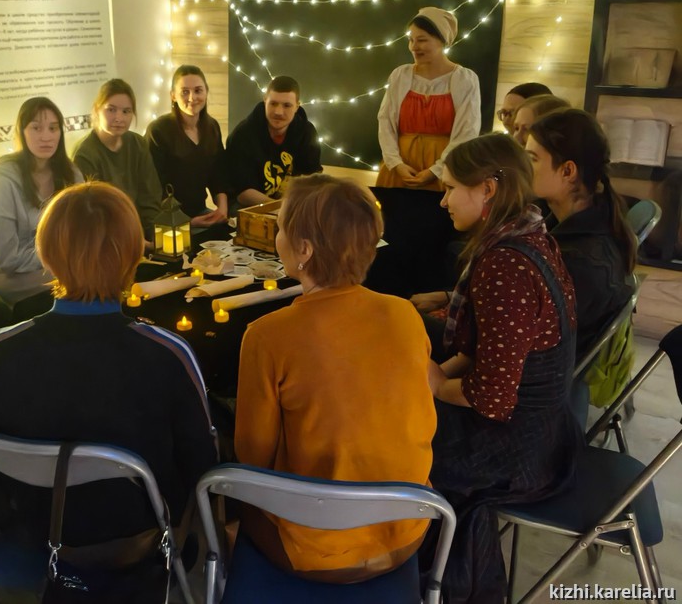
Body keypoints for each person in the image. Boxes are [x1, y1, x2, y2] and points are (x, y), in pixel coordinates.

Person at [0, 182, 217, 569]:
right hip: (144, 536)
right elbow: (202, 465)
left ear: (46, 255)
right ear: (135, 255)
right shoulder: (167, 353)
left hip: (36, 531)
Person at [235, 174, 436, 583]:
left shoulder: (267, 335)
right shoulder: (406, 315)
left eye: (280, 228)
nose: (276, 237)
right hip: (408, 529)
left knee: (226, 490)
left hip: (313, 551)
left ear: (304, 250)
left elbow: (253, 459)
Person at [424, 133, 581, 604]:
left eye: (451, 188)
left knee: (393, 436)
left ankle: (423, 576)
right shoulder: (531, 236)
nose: (443, 201)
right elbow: (492, 352)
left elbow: (492, 399)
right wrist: (438, 371)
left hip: (518, 452)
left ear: (487, 189)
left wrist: (434, 382)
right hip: (546, 432)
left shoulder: (504, 265)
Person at [526, 108, 636, 358]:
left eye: (532, 159)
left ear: (568, 171)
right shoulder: (592, 220)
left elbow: (528, 344)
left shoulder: (578, 261)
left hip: (540, 374)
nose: (524, 167)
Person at [0, 97, 83, 306]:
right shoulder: (2, 180)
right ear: (22, 132)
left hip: (60, 263)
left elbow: (84, 230)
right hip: (12, 276)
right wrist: (62, 255)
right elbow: (7, 259)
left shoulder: (70, 172)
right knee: (85, 279)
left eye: (53, 128)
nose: (46, 137)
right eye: (36, 128)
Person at [375, 7, 481, 190]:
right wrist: (396, 163)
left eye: (422, 40)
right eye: (411, 40)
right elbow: (385, 122)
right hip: (400, 168)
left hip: (446, 169)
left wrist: (436, 171)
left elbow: (467, 132)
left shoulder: (464, 79)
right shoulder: (401, 75)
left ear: (442, 41)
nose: (414, 47)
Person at [73, 79, 162, 239]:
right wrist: (131, 239)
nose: (119, 118)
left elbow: (150, 198)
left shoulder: (138, 144)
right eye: (111, 110)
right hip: (106, 237)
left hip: (141, 231)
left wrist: (155, 236)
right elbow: (93, 214)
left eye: (126, 111)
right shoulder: (85, 155)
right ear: (97, 110)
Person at [146, 65, 229, 224]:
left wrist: (222, 209)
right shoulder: (158, 131)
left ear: (206, 92)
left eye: (198, 90)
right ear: (173, 96)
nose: (192, 98)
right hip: (168, 220)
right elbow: (154, 189)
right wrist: (188, 223)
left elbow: (219, 175)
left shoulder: (212, 127)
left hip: (201, 212)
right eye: (185, 92)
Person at [225, 75, 322, 207]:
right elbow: (243, 193)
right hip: (247, 206)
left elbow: (312, 181)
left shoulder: (307, 132)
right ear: (265, 101)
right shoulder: (242, 135)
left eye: (287, 105)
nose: (278, 112)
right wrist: (281, 209)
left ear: (297, 106)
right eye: (273, 103)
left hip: (289, 205)